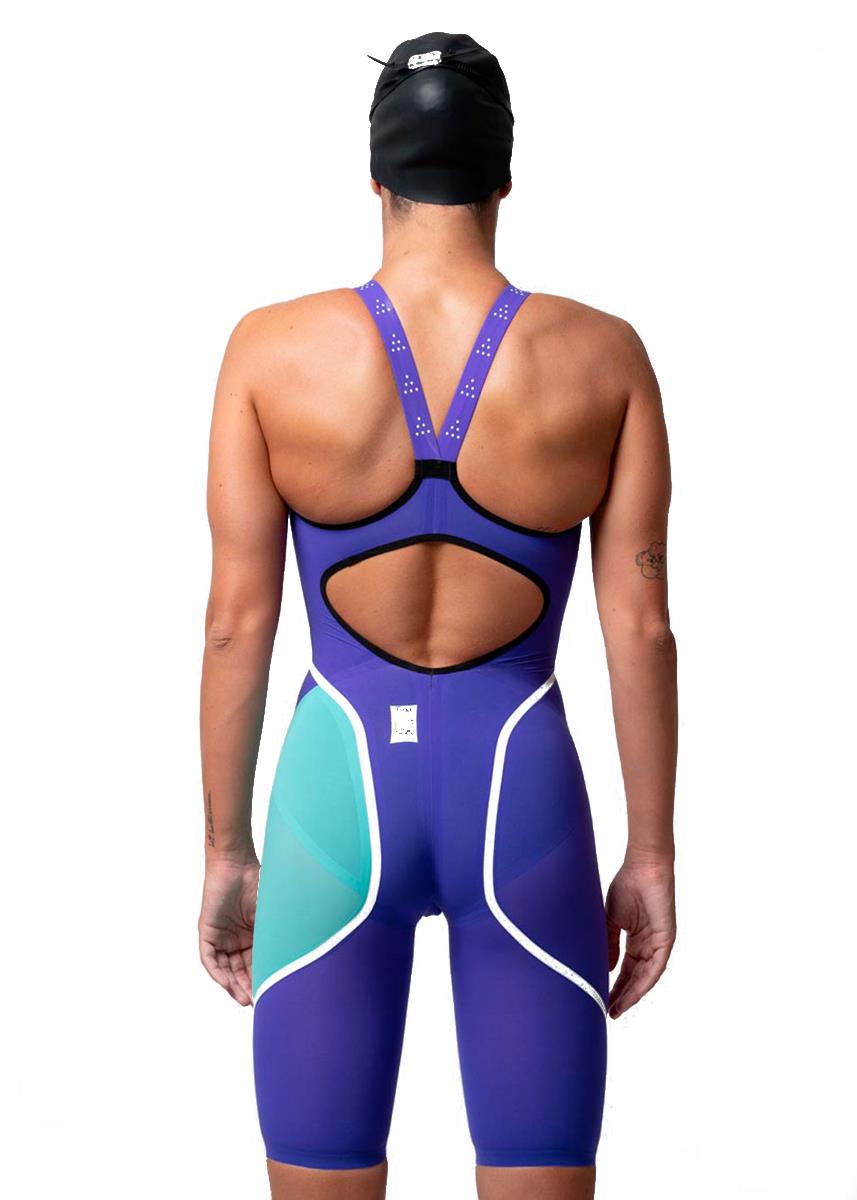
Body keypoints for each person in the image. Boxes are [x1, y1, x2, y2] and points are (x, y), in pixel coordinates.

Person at [198, 31, 677, 1200]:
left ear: (375, 177)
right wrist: (650, 856)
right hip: (523, 798)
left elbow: (234, 623)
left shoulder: (270, 351)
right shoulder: (602, 358)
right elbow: (639, 628)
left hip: (333, 794)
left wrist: (225, 848)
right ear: (504, 176)